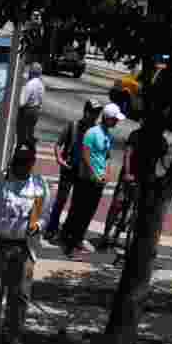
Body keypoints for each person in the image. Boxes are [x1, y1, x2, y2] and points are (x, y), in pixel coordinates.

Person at [0, 142, 51, 344]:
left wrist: (36, 225)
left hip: (24, 247)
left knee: (20, 295)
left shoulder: (39, 186)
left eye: (26, 163)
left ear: (32, 164)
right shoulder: (0, 183)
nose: (22, 168)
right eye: (18, 163)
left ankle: (13, 335)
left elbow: (43, 215)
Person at [61, 102, 124, 258]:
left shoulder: (107, 135)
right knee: (79, 211)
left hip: (98, 181)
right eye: (115, 119)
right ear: (108, 118)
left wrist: (107, 173)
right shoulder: (92, 133)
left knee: (89, 212)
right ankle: (70, 246)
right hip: (86, 179)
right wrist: (93, 173)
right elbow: (85, 155)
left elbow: (107, 156)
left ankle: (78, 239)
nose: (117, 122)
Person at [44, 99, 100, 243]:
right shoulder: (73, 126)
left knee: (76, 203)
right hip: (69, 168)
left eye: (97, 113)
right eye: (92, 112)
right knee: (61, 200)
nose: (95, 116)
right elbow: (58, 144)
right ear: (85, 112)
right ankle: (51, 229)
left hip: (84, 172)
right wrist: (59, 159)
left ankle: (66, 232)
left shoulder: (96, 131)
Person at [17, 61, 45, 146]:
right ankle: (29, 148)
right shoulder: (41, 85)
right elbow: (41, 100)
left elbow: (22, 102)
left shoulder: (30, 84)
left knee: (22, 132)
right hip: (36, 111)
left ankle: (19, 148)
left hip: (27, 111)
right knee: (30, 132)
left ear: (31, 72)